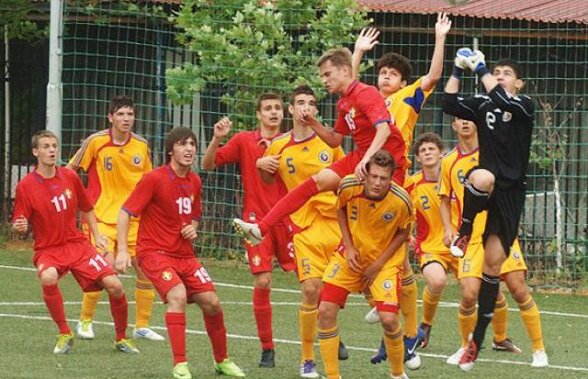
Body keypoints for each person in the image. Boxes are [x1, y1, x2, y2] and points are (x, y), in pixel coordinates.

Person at [233, 48, 408, 250]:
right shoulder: (344, 102)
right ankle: (259, 230)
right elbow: (334, 140)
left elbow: (384, 130)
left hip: (389, 163)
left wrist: (365, 160)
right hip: (363, 156)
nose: (324, 80)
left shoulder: (365, 93)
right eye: (322, 76)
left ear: (344, 71)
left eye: (327, 74)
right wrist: (313, 122)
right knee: (315, 182)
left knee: (381, 224)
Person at [353, 13, 451, 366]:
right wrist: (358, 51)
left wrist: (439, 37)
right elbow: (348, 84)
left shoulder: (408, 98)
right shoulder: (365, 98)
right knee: (358, 247)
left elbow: (435, 76)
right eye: (382, 72)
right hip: (364, 178)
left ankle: (405, 339)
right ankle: (385, 315)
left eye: (392, 74)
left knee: (396, 258)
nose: (385, 77)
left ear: (403, 82)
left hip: (393, 181)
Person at [115, 127, 245, 379]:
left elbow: (194, 216)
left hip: (185, 256)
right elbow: (125, 212)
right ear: (170, 150)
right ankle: (180, 364)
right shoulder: (154, 178)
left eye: (192, 144)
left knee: (213, 303)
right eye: (183, 144)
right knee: (178, 295)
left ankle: (222, 361)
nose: (189, 149)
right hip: (154, 253)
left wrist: (192, 229)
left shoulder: (194, 180)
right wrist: (122, 250)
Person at [443, 48, 537, 371]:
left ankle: (476, 344)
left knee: (493, 271)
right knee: (481, 176)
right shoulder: (484, 104)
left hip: (511, 197)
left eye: (506, 74)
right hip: (487, 186)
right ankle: (464, 232)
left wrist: (481, 69)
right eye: (495, 72)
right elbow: (449, 105)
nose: (499, 77)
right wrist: (456, 70)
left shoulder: (523, 106)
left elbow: (504, 102)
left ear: (520, 83)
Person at [12, 130, 138, 355]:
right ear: (35, 152)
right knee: (48, 277)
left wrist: (97, 236)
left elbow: (87, 207)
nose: (51, 150)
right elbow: (20, 222)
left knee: (115, 285)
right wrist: (19, 227)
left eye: (54, 146)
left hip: (77, 245)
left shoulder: (69, 177)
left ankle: (121, 338)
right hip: (48, 249)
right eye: (46, 147)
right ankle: (64, 333)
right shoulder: (26, 186)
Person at [439, 118, 548, 368]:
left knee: (519, 289)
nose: (465, 123)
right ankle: (466, 347)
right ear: (454, 125)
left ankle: (539, 349)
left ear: (477, 124)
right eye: (459, 120)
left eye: (469, 119)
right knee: (468, 295)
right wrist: (447, 228)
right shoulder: (448, 161)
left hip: (500, 231)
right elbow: (444, 198)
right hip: (472, 240)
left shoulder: (495, 153)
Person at [201, 93, 296, 368]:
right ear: (259, 114)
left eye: (278, 108)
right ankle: (267, 349)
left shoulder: (290, 142)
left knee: (310, 280)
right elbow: (208, 165)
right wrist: (217, 138)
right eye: (268, 108)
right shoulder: (244, 140)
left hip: (289, 220)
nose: (274, 112)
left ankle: (330, 334)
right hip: (255, 222)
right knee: (263, 281)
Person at [258, 85, 345, 378]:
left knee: (336, 296)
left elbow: (345, 181)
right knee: (310, 289)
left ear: (316, 111)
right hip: (304, 227)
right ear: (291, 111)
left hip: (335, 224)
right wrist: (261, 164)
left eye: (310, 103)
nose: (305, 107)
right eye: (300, 103)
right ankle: (307, 358)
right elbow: (268, 180)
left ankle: (390, 341)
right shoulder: (278, 146)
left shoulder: (331, 145)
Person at [67, 95, 163, 341]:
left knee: (146, 270)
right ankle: (85, 321)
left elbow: (150, 183)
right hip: (101, 219)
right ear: (110, 117)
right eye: (120, 114)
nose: (126, 119)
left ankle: (141, 326)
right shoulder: (96, 142)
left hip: (135, 221)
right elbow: (70, 171)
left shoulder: (141, 145)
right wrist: (76, 202)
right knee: (104, 270)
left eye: (130, 114)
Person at [317, 150, 413, 379]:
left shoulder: (402, 201)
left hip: (385, 262)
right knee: (325, 310)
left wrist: (378, 264)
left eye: (384, 178)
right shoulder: (349, 186)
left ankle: (398, 373)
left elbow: (404, 232)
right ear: (367, 174)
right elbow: (339, 208)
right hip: (350, 257)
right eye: (374, 176)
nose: (378, 182)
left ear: (392, 178)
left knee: (389, 320)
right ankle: (333, 376)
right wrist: (349, 246)